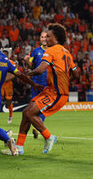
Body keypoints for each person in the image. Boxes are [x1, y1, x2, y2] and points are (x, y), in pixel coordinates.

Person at [10, 23, 79, 155]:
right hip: (54, 90)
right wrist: (64, 83)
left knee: (30, 113)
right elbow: (76, 74)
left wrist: (27, 73)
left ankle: (49, 137)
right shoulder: (66, 52)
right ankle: (19, 147)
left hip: (56, 93)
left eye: (48, 36)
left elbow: (40, 69)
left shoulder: (51, 51)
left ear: (56, 37)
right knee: (26, 113)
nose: (46, 39)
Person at [24, 30, 48, 138]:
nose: (43, 39)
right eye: (42, 37)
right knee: (33, 105)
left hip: (47, 83)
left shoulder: (53, 51)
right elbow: (31, 66)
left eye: (45, 37)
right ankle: (38, 126)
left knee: (43, 106)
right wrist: (27, 61)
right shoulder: (36, 51)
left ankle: (38, 126)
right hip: (35, 83)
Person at [1, 50, 16, 124]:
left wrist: (6, 78)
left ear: (7, 55)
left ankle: (10, 116)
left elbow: (14, 73)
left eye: (5, 55)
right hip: (0, 84)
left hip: (8, 84)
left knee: (8, 101)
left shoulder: (11, 62)